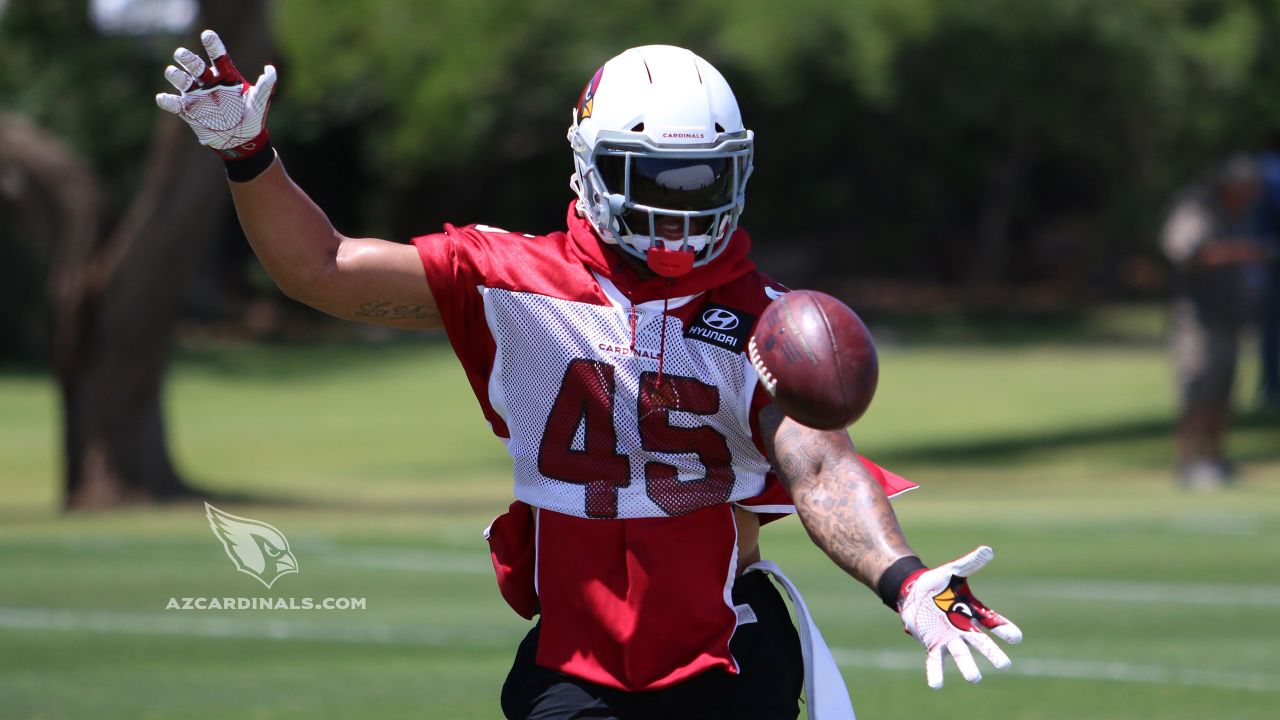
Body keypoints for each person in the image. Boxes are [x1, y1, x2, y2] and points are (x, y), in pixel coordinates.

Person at [156, 31, 1022, 719]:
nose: (680, 209)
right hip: (574, 660)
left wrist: (905, 579)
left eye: (703, 181)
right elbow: (324, 269)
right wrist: (249, 154)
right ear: (591, 164)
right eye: (655, 181)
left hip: (726, 656)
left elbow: (822, 464)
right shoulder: (508, 280)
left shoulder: (764, 320)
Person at [1160, 156, 1273, 489]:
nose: (1252, 196)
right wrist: (1244, 253)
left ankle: (1214, 460)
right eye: (1247, 189)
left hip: (1230, 318)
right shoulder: (1195, 209)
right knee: (1198, 391)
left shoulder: (1238, 213)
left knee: (1223, 394)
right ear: (1231, 185)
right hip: (1197, 321)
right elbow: (1187, 252)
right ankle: (1189, 463)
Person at [1254, 148, 1280, 408]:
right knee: (1272, 329)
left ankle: (1270, 387)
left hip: (1263, 263)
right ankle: (1272, 388)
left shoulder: (1262, 168)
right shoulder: (1271, 171)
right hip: (1269, 261)